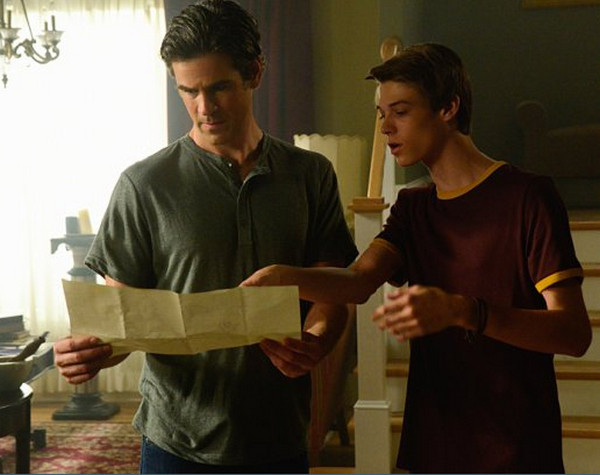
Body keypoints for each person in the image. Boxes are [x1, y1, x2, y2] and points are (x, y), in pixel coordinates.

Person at [242, 43, 592, 473]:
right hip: (435, 444)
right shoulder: (412, 207)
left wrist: (465, 311)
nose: (386, 128)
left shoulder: (527, 197)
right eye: (381, 114)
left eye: (401, 112)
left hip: (515, 448)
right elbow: (358, 281)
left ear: (449, 108)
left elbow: (573, 334)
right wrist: (281, 276)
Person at [53, 1, 357, 473]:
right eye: (188, 91)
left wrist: (316, 341)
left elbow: (332, 290)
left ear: (254, 73)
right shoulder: (143, 184)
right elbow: (123, 322)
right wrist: (87, 354)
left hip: (280, 434)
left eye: (218, 88)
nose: (203, 108)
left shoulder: (310, 175)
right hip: (176, 441)